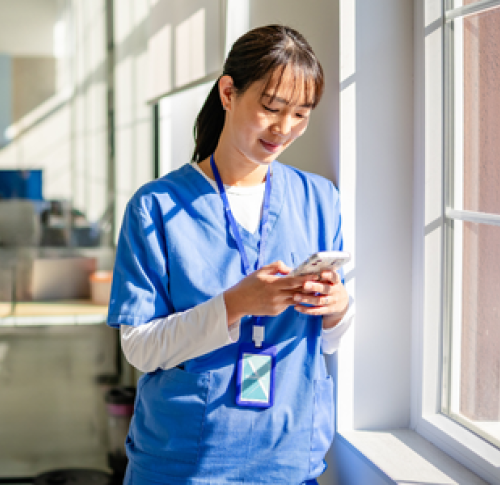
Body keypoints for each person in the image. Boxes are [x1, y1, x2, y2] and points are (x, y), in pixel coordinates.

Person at [107, 24, 354, 485]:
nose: (284, 129)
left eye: (301, 114)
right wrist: (235, 305)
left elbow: (325, 343)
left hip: (288, 460)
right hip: (185, 463)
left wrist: (338, 311)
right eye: (271, 108)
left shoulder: (321, 199)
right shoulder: (157, 206)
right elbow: (138, 347)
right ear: (228, 92)